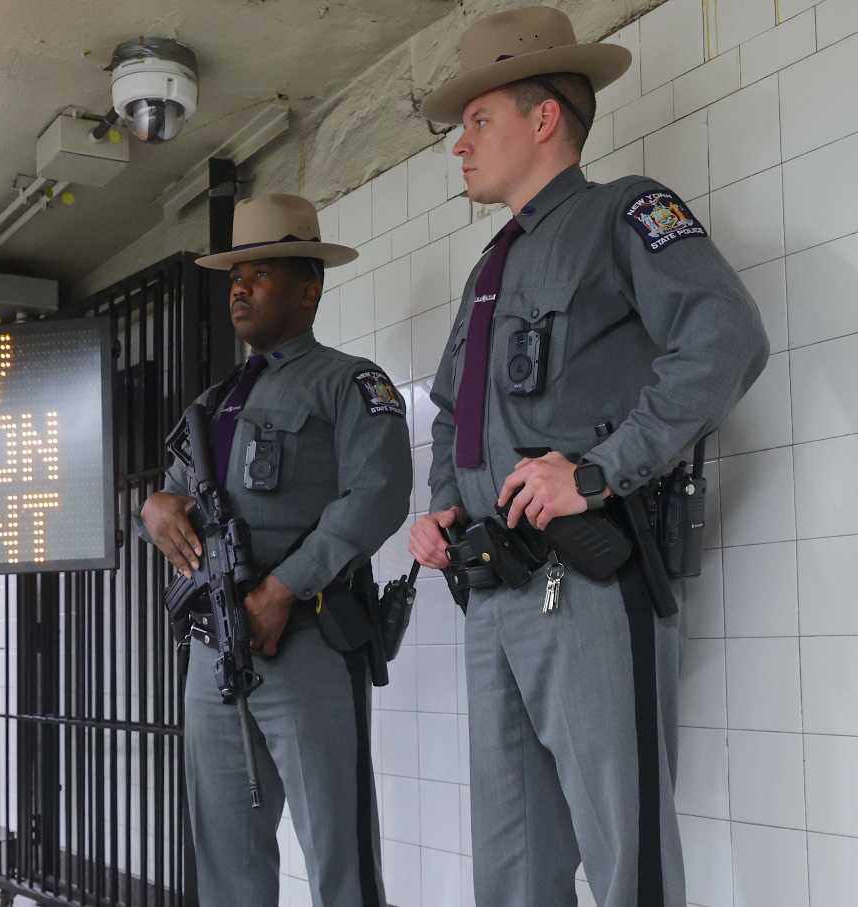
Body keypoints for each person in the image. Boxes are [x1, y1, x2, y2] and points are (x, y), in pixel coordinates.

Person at [409, 7, 769, 906]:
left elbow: (726, 337)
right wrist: (445, 502)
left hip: (588, 585)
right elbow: (455, 404)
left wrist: (600, 470)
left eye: (477, 121)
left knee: (625, 853)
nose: (461, 146)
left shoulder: (624, 213)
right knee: (513, 865)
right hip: (493, 589)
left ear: (543, 120)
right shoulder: (490, 266)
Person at [140, 193, 412, 907]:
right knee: (227, 855)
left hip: (309, 639)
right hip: (213, 649)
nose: (239, 286)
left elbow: (379, 495)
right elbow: (171, 494)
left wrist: (283, 587)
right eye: (234, 275)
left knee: (338, 850)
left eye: (259, 273)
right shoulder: (212, 402)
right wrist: (153, 506)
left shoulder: (350, 382)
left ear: (309, 287)